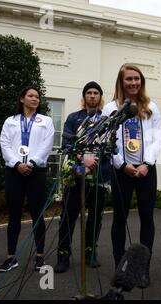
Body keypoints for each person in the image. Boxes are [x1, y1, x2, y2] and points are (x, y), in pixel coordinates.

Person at [103, 64, 161, 288]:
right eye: (129, 79)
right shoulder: (110, 108)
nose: (133, 83)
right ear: (121, 82)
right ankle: (120, 268)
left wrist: (147, 163)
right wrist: (122, 164)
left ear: (141, 82)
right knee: (120, 218)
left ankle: (142, 270)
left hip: (146, 169)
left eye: (137, 79)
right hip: (122, 171)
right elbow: (107, 140)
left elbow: (158, 138)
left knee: (147, 218)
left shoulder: (151, 107)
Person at [54, 81, 111, 273]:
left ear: (100, 96)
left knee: (95, 218)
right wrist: (82, 158)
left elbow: (111, 148)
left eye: (96, 93)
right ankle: (63, 254)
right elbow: (66, 144)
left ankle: (90, 252)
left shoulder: (107, 119)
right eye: (89, 92)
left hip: (99, 176)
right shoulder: (73, 118)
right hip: (76, 175)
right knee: (67, 217)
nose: (92, 96)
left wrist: (94, 160)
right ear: (84, 96)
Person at [0, 86, 55, 272]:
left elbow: (47, 145)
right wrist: (16, 164)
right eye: (30, 96)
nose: (35, 99)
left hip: (35, 171)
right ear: (22, 99)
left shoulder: (45, 121)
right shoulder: (11, 121)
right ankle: (10, 257)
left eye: (37, 96)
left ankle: (39, 256)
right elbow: (4, 144)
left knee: (37, 214)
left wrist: (31, 163)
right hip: (14, 172)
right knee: (14, 214)